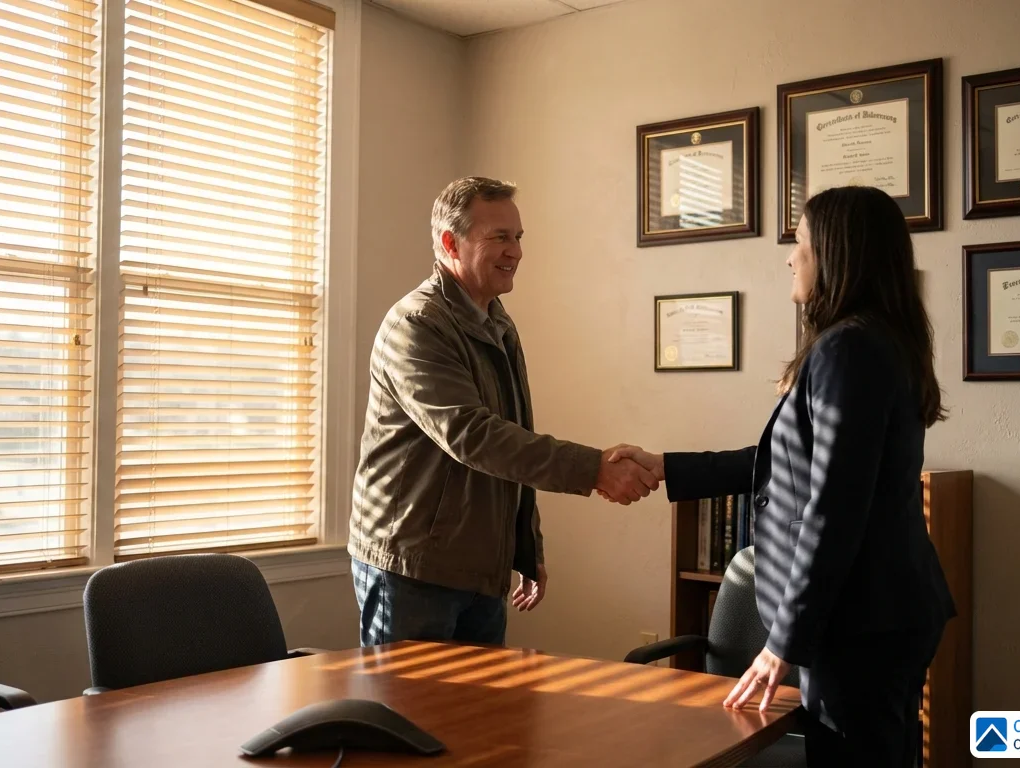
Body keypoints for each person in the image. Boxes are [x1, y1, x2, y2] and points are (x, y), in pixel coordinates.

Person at [606, 186, 956, 766]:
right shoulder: (872, 341)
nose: (790, 258)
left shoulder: (850, 349)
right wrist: (668, 467)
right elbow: (787, 461)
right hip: (877, 616)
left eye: (800, 243)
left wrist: (781, 645)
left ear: (836, 256)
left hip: (859, 624)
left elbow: (834, 509)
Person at [349, 176, 658, 648]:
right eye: (499, 237)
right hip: (412, 569)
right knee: (403, 718)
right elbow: (474, 436)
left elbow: (513, 435)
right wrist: (594, 468)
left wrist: (524, 547)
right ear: (451, 243)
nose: (515, 251)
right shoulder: (416, 325)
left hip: (478, 570)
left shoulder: (497, 320)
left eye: (518, 238)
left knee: (480, 720)